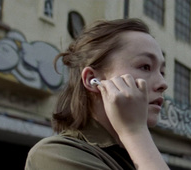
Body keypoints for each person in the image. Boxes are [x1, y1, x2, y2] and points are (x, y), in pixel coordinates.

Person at [25, 18, 169, 170]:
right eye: (145, 66)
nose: (163, 84)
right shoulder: (54, 155)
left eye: (162, 72)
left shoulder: (134, 154)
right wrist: (135, 131)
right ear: (92, 79)